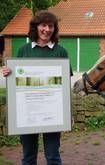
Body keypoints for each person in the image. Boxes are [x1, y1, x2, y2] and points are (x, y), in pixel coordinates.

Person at [2, 10, 72, 165]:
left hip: (52, 114)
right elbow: (15, 80)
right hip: (28, 114)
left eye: (51, 26)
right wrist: (8, 72)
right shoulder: (23, 50)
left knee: (53, 156)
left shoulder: (61, 51)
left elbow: (65, 85)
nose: (47, 29)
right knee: (28, 157)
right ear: (36, 27)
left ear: (55, 29)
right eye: (43, 25)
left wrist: (67, 112)